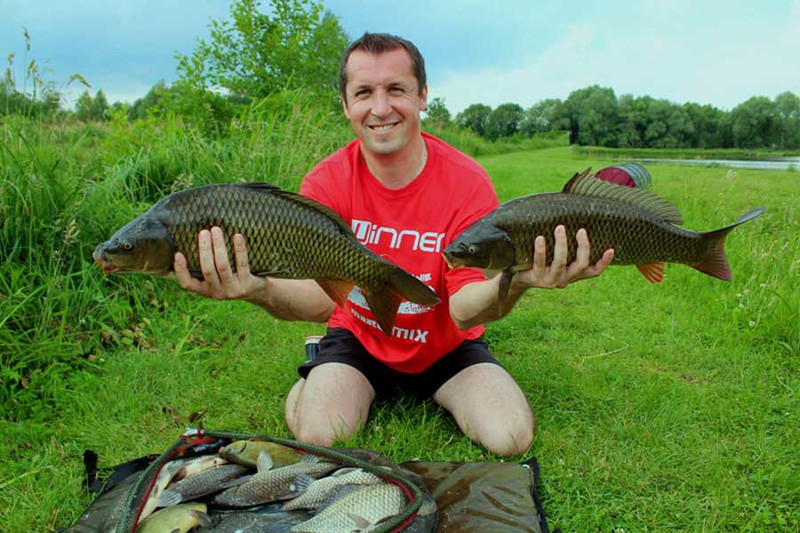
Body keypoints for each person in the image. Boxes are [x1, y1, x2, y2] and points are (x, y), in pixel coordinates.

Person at [173, 33, 614, 457]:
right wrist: (259, 289)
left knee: (510, 436)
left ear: (423, 95)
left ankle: (409, 383)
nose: (381, 108)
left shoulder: (466, 182)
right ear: (346, 104)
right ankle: (320, 370)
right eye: (364, 92)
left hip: (445, 345)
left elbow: (463, 308)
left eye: (396, 89)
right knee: (319, 434)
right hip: (359, 338)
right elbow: (317, 299)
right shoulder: (326, 182)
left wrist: (517, 281)